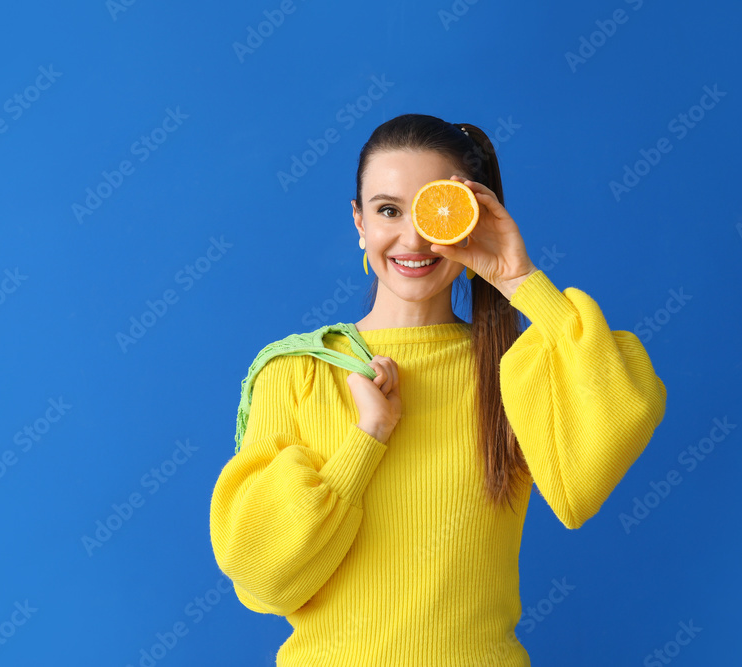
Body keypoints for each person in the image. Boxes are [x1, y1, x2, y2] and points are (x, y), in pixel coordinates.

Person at [209, 113, 667, 666]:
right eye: (388, 210)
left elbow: (607, 435)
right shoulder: (297, 371)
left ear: (470, 216)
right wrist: (367, 438)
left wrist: (521, 281)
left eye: (436, 211)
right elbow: (262, 577)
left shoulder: (514, 370)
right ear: (359, 221)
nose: (413, 238)